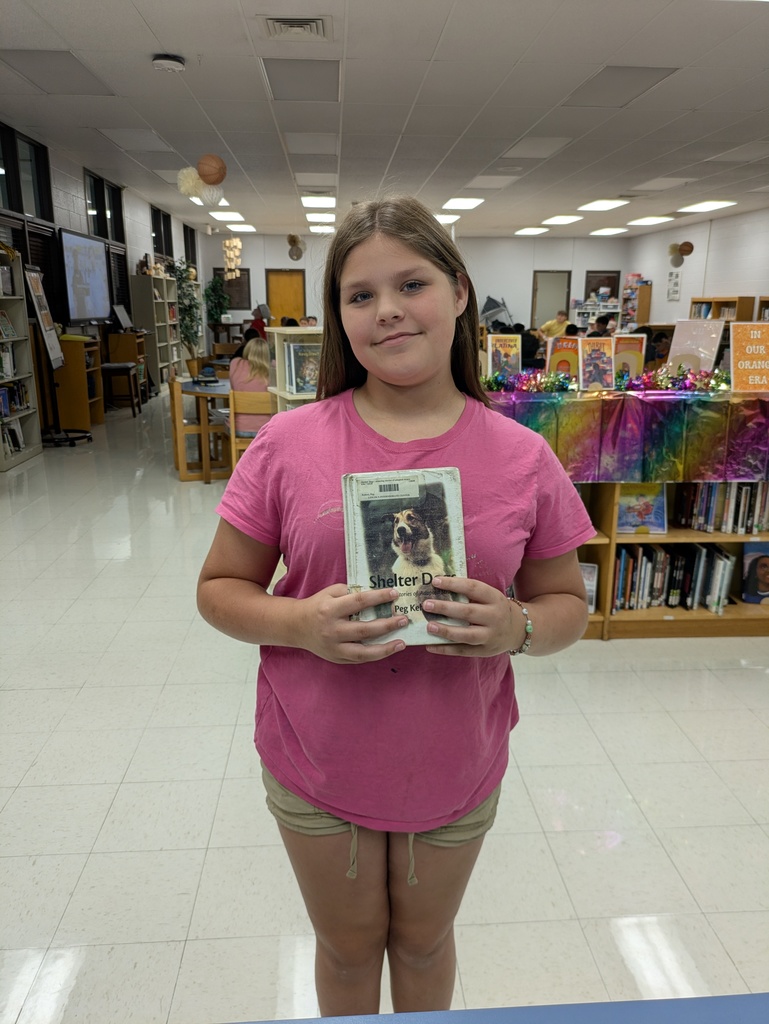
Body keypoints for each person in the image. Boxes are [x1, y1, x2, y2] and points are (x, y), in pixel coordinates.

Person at [197, 195, 594, 1017]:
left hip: (455, 758)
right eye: (358, 295)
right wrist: (299, 623)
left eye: (409, 284)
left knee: (423, 943)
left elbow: (565, 605)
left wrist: (515, 627)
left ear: (456, 292)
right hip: (316, 757)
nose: (386, 312)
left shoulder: (522, 456)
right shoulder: (286, 444)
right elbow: (218, 591)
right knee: (345, 953)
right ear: (340, 319)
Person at [227, 337, 272, 434]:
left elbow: (233, 386)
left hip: (238, 427)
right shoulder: (274, 369)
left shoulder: (236, 364)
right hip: (267, 429)